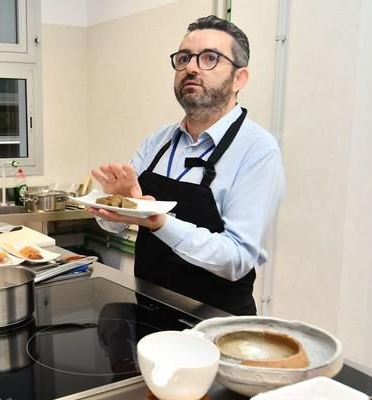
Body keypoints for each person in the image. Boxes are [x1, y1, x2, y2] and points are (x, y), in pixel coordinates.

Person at [89, 15, 285, 315]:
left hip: (215, 327)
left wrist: (161, 222)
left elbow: (236, 259)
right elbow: (112, 226)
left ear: (239, 78)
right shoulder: (157, 141)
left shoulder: (257, 150)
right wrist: (116, 206)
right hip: (148, 315)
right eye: (183, 58)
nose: (191, 67)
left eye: (209, 58)